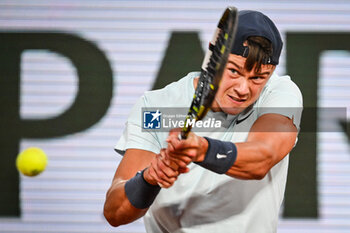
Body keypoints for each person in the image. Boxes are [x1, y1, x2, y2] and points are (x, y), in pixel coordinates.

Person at [104, 9, 303, 233]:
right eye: (234, 71)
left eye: (257, 77)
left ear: (272, 72)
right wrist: (149, 178)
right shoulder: (156, 108)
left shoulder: (279, 93)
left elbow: (263, 156)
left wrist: (201, 149)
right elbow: (114, 212)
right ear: (213, 57)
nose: (243, 89)